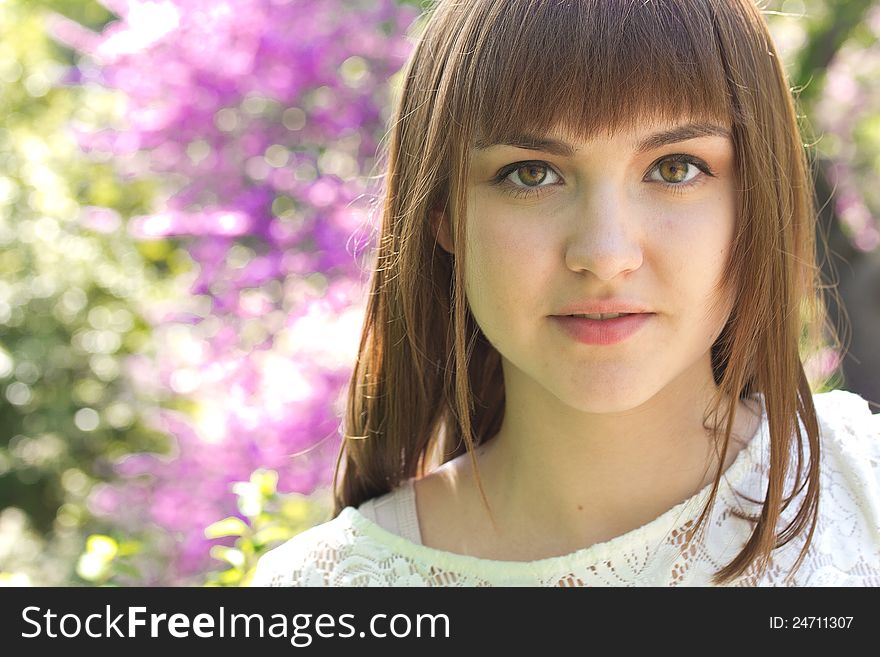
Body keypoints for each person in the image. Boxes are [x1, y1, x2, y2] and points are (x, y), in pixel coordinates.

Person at [252, 0, 880, 586]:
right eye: (532, 174)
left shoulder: (864, 495)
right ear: (441, 211)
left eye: (675, 168)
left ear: (756, 199)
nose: (605, 254)